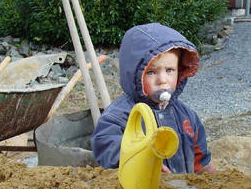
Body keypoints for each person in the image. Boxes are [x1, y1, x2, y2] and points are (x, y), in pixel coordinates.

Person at [90, 23, 216, 175]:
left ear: (180, 71)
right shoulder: (119, 116)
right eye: (151, 72)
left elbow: (200, 158)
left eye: (169, 70)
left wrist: (208, 173)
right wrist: (141, 159)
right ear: (135, 75)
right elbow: (105, 145)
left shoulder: (187, 116)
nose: (163, 80)